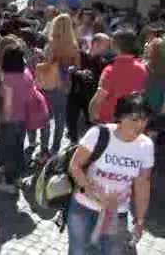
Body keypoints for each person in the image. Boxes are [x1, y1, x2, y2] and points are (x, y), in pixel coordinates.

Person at [68, 92, 154, 255]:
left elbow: (143, 183)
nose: (140, 125)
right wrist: (88, 187)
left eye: (144, 119)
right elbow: (75, 165)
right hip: (83, 207)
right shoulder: (98, 134)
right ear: (120, 117)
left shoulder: (146, 146)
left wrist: (140, 219)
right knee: (77, 251)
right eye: (134, 119)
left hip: (116, 212)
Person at [0, 43, 35, 194]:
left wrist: (1, 121)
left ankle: (10, 183)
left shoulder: (8, 79)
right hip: (23, 117)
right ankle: (17, 178)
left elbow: (8, 106)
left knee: (9, 151)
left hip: (10, 120)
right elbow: (31, 96)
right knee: (18, 148)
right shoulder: (27, 74)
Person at [39, 13, 80, 155]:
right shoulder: (74, 45)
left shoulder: (52, 43)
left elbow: (48, 64)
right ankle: (56, 147)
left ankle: (44, 148)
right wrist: (67, 68)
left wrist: (39, 63)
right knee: (60, 117)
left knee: (46, 117)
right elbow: (77, 66)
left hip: (49, 83)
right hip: (65, 83)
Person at [89, 28, 148, 124]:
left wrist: (93, 117)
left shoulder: (110, 70)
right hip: (130, 122)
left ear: (115, 46)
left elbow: (97, 100)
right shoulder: (142, 69)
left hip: (109, 122)